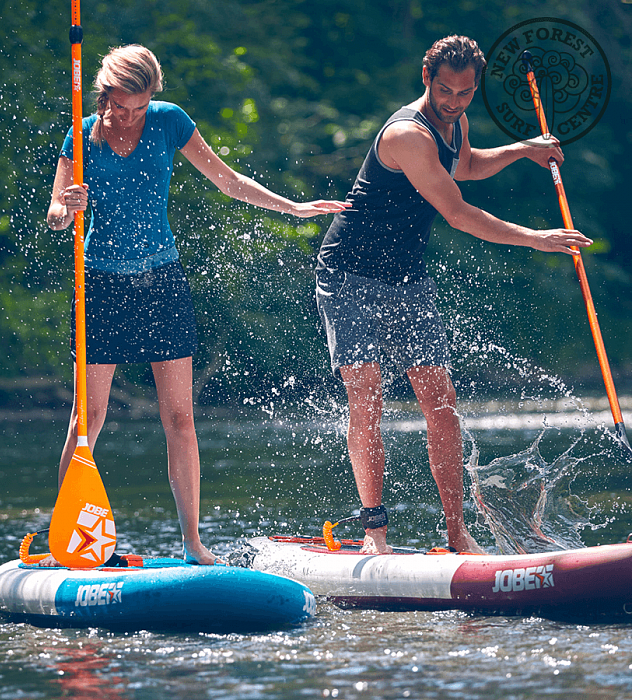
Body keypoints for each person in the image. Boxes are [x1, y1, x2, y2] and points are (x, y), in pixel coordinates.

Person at [47, 44, 348, 565]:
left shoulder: (170, 123)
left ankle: (192, 543)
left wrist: (292, 206)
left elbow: (229, 181)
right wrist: (65, 206)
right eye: (123, 105)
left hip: (162, 282)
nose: (131, 115)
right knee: (86, 420)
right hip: (100, 284)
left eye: (141, 107)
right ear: (105, 94)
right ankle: (70, 540)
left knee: (180, 418)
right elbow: (56, 213)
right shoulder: (81, 133)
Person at [315, 35, 592, 555]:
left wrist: (520, 150)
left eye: (465, 93)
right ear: (427, 79)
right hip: (349, 273)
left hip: (406, 276)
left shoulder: (456, 120)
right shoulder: (407, 136)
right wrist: (538, 238)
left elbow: (463, 166)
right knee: (367, 396)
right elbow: (459, 211)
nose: (454, 101)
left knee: (441, 404)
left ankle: (456, 532)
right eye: (445, 90)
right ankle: (376, 531)